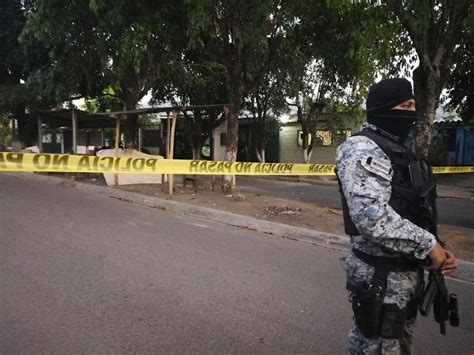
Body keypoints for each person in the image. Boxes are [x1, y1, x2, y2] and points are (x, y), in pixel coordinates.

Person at [335, 78, 457, 354]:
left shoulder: (400, 151)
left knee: (380, 346)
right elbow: (372, 218)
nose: (412, 112)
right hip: (380, 277)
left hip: (403, 274)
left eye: (414, 105)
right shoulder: (362, 149)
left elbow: (414, 209)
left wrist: (438, 249)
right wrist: (427, 245)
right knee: (379, 348)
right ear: (384, 109)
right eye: (406, 105)